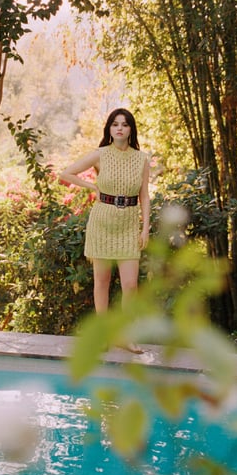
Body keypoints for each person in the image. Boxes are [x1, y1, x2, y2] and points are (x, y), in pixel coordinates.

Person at [59, 108, 150, 327]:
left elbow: (145, 196)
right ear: (109, 128)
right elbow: (66, 173)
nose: (120, 128)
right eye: (115, 124)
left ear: (131, 130)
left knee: (130, 285)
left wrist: (145, 227)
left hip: (129, 224)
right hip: (102, 222)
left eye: (125, 124)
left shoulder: (141, 159)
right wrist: (92, 186)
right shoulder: (100, 154)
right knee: (102, 281)